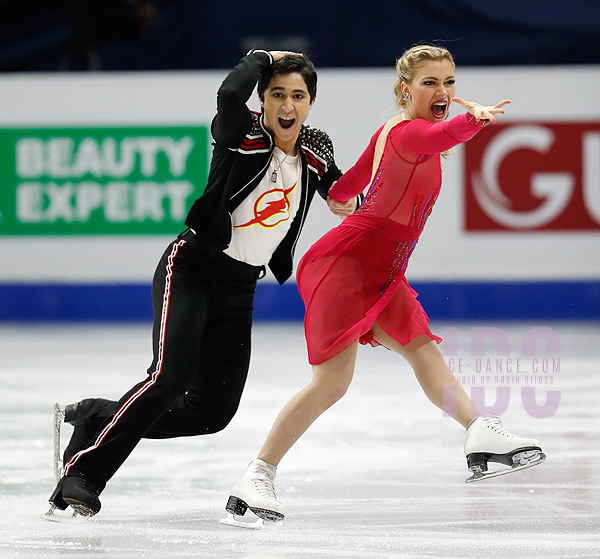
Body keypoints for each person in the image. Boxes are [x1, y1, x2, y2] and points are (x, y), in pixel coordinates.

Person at [225, 44, 546, 524]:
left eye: (449, 83)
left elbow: (343, 186)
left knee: (422, 349)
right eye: (430, 83)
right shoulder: (413, 133)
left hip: (384, 269)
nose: (443, 92)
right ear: (406, 89)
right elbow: (446, 134)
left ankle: (480, 431)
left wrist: (339, 197)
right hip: (347, 264)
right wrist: (473, 120)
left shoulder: (391, 133)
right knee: (332, 383)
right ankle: (257, 474)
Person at [47, 49, 359, 518]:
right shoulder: (243, 135)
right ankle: (84, 474)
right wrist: (264, 56)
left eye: (298, 95)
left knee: (213, 413)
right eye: (277, 95)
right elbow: (229, 92)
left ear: (311, 102)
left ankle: (97, 415)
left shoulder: (315, 148)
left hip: (240, 288)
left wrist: (346, 200)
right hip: (192, 267)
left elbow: (339, 187)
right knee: (169, 376)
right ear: (263, 100)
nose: (287, 105)